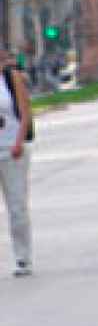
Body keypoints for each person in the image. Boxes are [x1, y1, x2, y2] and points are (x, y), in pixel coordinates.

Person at [0, 50, 33, 276]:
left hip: (12, 149)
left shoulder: (11, 79)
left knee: (16, 206)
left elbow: (25, 112)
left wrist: (19, 142)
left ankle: (23, 257)